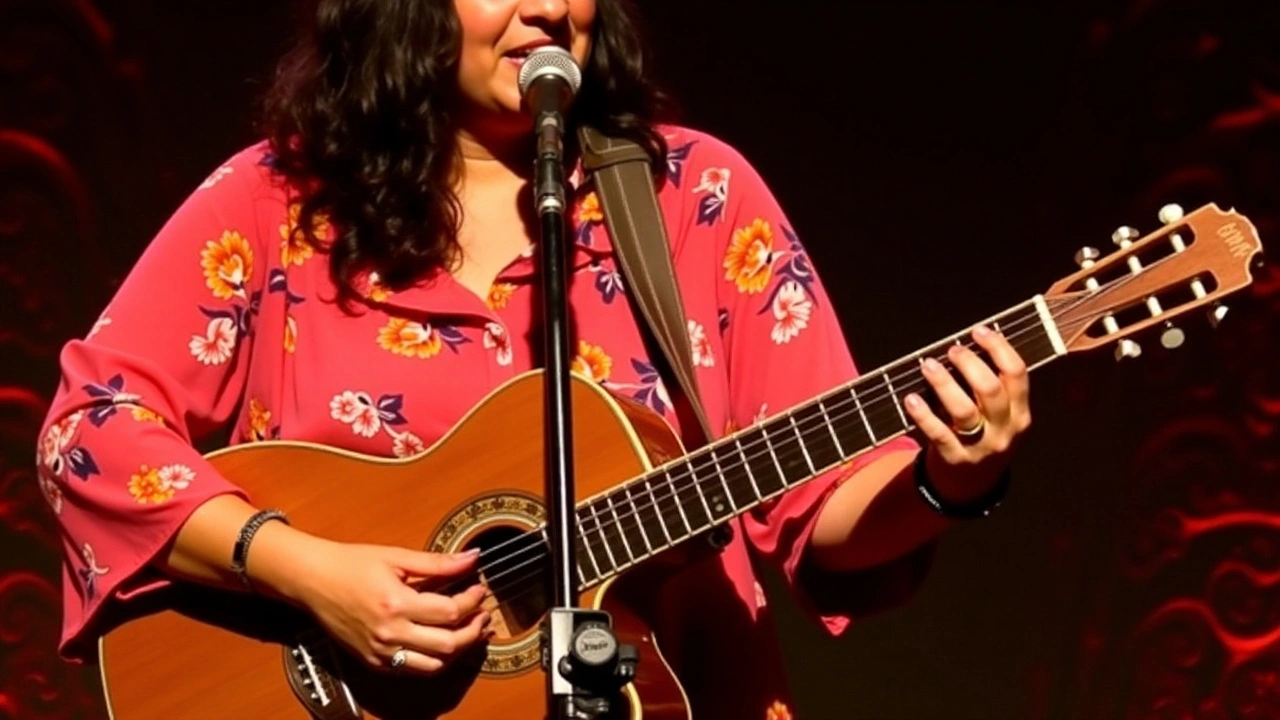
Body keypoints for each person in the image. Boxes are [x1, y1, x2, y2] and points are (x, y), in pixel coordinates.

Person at [35, 0, 1031, 717]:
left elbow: (821, 517)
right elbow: (91, 432)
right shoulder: (279, 204)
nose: (550, 10)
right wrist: (307, 573)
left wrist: (950, 478)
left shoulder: (693, 199)